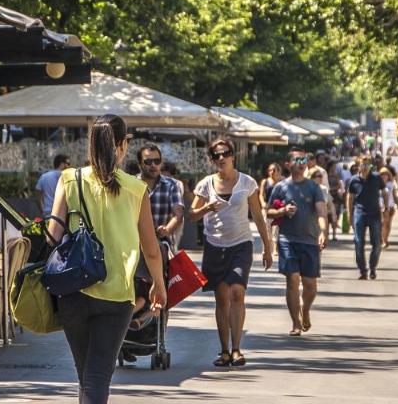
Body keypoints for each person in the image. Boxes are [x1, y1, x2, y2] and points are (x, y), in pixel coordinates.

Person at [46, 115, 166, 404]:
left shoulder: (69, 179)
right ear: (123, 145)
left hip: (73, 287)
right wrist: (159, 285)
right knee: (98, 375)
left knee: (85, 374)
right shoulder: (137, 190)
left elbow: (52, 236)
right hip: (117, 294)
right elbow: (151, 249)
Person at [190, 138, 271, 367]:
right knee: (222, 297)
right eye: (216, 155)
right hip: (215, 245)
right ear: (212, 159)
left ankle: (236, 349)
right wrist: (206, 208)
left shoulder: (247, 183)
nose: (221, 158)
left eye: (225, 153)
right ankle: (224, 350)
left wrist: (267, 246)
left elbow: (257, 215)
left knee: (237, 292)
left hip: (241, 244)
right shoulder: (206, 184)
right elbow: (191, 214)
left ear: (233, 156)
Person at [266, 148, 328, 337]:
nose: (301, 163)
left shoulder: (313, 187)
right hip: (288, 240)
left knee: (310, 285)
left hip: (310, 241)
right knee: (292, 280)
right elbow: (268, 212)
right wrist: (283, 211)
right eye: (297, 160)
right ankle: (295, 323)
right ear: (288, 164)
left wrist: (323, 232)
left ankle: (305, 310)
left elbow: (321, 213)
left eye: (304, 159)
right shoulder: (281, 187)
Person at [138, 144, 184, 250]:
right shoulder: (132, 185)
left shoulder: (172, 184)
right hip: (136, 245)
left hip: (162, 244)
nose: (153, 165)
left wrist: (166, 230)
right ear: (140, 164)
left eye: (157, 161)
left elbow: (178, 215)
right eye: (148, 162)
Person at [346, 157, 385, 279]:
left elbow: (385, 192)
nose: (365, 166)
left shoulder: (377, 178)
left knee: (377, 243)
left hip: (375, 214)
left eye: (367, 164)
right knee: (358, 242)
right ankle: (363, 270)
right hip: (359, 213)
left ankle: (373, 267)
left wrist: (386, 208)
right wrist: (349, 214)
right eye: (363, 164)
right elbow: (350, 198)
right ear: (359, 165)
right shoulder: (354, 180)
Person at [379, 162, 398, 248]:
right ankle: (381, 239)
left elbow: (395, 196)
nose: (384, 176)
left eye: (386, 175)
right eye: (382, 175)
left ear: (389, 176)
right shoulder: (377, 184)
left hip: (390, 206)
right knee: (382, 223)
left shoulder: (391, 185)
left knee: (387, 224)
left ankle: (385, 239)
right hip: (380, 207)